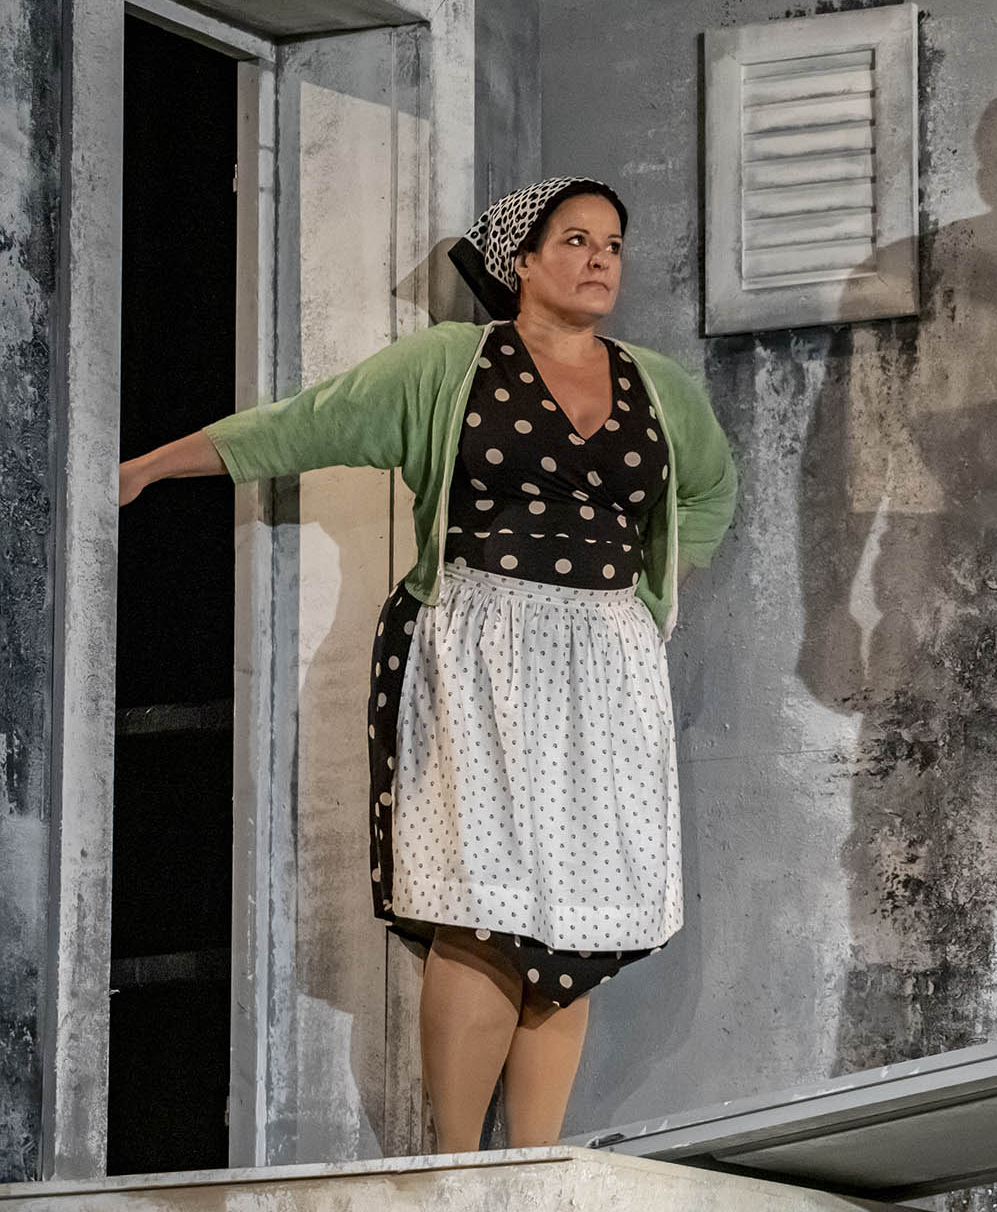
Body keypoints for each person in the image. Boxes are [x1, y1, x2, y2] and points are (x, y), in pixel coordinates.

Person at [118, 177, 738, 1148]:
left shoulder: (656, 385)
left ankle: (530, 1171)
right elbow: (305, 421)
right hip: (474, 647)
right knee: (476, 905)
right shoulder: (452, 365)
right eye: (575, 240)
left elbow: (710, 490)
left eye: (613, 244)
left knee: (574, 924)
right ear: (521, 261)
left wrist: (655, 597)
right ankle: (454, 1169)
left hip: (606, 668)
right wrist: (149, 467)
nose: (600, 259)